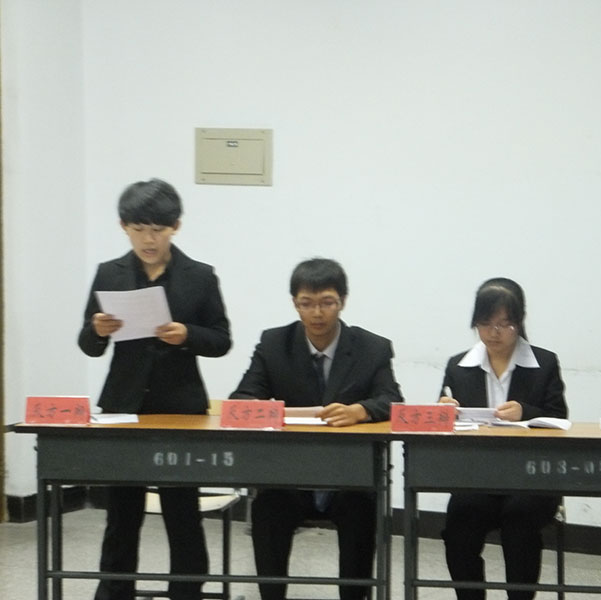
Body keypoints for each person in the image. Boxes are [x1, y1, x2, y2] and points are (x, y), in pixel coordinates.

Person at [78, 178, 232, 600]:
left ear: (175, 227)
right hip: (123, 407)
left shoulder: (200, 277)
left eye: (158, 229)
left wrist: (187, 335)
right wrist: (97, 330)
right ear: (123, 227)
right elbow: (89, 345)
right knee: (121, 513)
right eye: (139, 229)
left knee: (182, 512)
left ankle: (187, 592)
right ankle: (114, 592)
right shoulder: (109, 273)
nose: (149, 239)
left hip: (180, 408)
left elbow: (222, 340)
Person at [230, 257, 403, 600]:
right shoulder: (274, 344)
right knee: (267, 508)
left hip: (347, 478)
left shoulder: (372, 348)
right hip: (290, 477)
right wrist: (269, 411)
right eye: (307, 304)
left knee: (361, 509)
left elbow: (393, 401)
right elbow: (243, 399)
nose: (317, 313)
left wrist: (360, 411)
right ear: (295, 304)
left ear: (343, 301)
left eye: (327, 302)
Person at [438, 277, 567, 600]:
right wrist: (443, 412)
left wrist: (526, 412)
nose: (494, 333)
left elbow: (560, 420)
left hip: (532, 478)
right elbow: (444, 427)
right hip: (478, 477)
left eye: (504, 324)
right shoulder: (459, 367)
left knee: (520, 521)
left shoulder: (544, 364)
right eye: (485, 324)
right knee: (460, 523)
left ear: (519, 323)